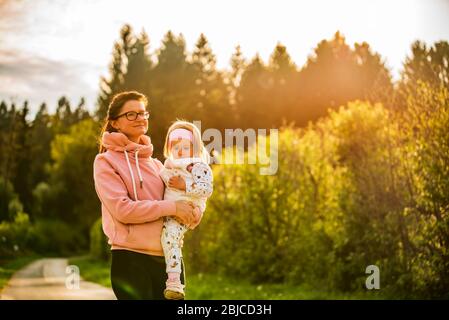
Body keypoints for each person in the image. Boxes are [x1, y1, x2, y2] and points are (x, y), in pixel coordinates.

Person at [93, 91, 202, 300]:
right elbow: (123, 210)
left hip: (170, 262)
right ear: (115, 123)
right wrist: (173, 208)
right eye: (131, 114)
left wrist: (193, 211)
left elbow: (182, 203)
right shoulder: (105, 162)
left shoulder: (158, 165)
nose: (140, 118)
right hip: (131, 260)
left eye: (143, 113)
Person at [159, 120, 213, 299]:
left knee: (170, 239)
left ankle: (174, 282)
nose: (180, 150)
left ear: (195, 148)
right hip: (170, 210)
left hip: (188, 207)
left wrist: (185, 185)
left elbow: (206, 189)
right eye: (175, 147)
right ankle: (173, 280)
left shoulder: (198, 165)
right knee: (169, 239)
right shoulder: (170, 165)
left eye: (185, 146)